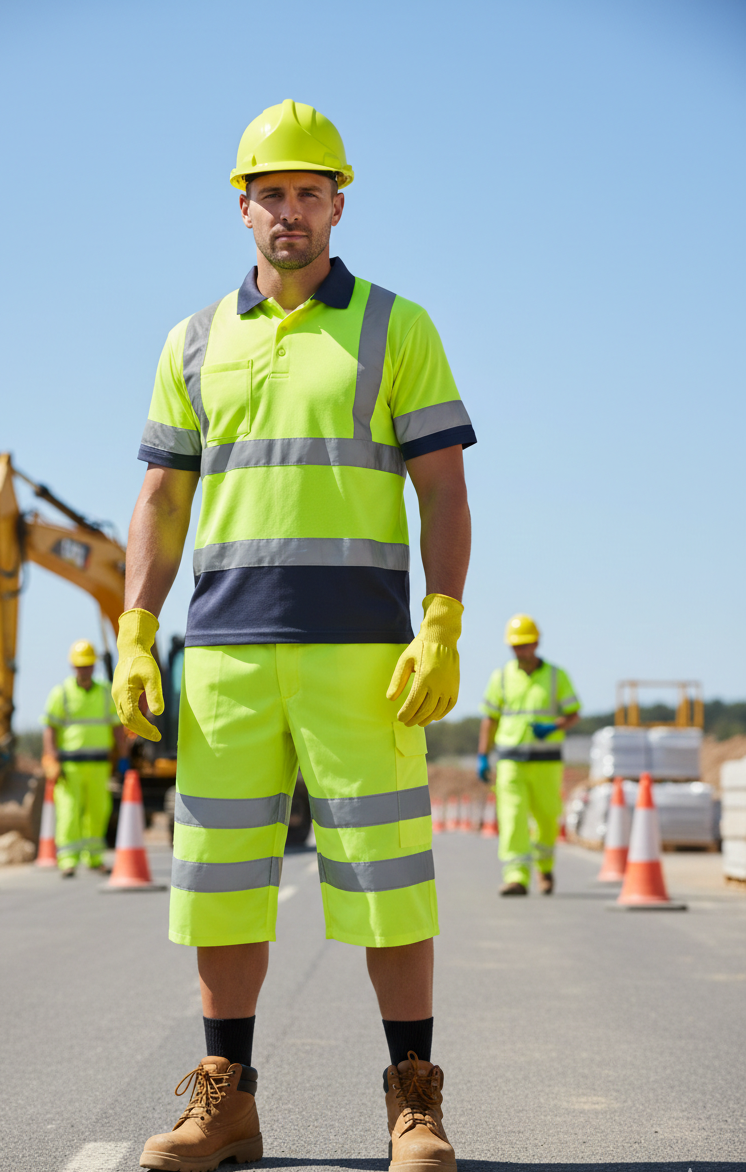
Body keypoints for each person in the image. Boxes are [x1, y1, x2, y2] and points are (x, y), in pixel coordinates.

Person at [112, 100, 476, 1171]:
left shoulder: (394, 325)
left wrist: (442, 619)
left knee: (389, 880)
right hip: (223, 656)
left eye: (308, 192)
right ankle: (226, 1100)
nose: (289, 212)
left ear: (338, 203)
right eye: (270, 193)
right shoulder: (192, 339)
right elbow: (160, 499)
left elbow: (444, 493)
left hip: (361, 656)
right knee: (222, 885)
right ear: (243, 208)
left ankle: (414, 1100)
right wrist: (137, 626)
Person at [477, 614, 580, 896]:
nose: (519, 651)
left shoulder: (557, 677)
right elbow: (490, 719)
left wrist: (555, 726)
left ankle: (544, 868)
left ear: (536, 643)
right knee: (511, 819)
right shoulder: (500, 677)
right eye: (515, 646)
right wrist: (483, 756)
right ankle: (516, 876)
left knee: (547, 818)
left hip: (546, 762)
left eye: (524, 645)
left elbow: (573, 714)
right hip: (511, 761)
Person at [41, 639, 128, 877]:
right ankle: (68, 860)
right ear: (73, 666)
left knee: (98, 811)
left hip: (100, 765)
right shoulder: (62, 694)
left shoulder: (104, 693)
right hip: (70, 767)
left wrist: (123, 757)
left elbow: (117, 728)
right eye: (81, 665)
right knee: (69, 812)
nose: (85, 670)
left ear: (94, 666)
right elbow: (50, 729)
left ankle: (95, 857)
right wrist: (51, 758)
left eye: (88, 665)